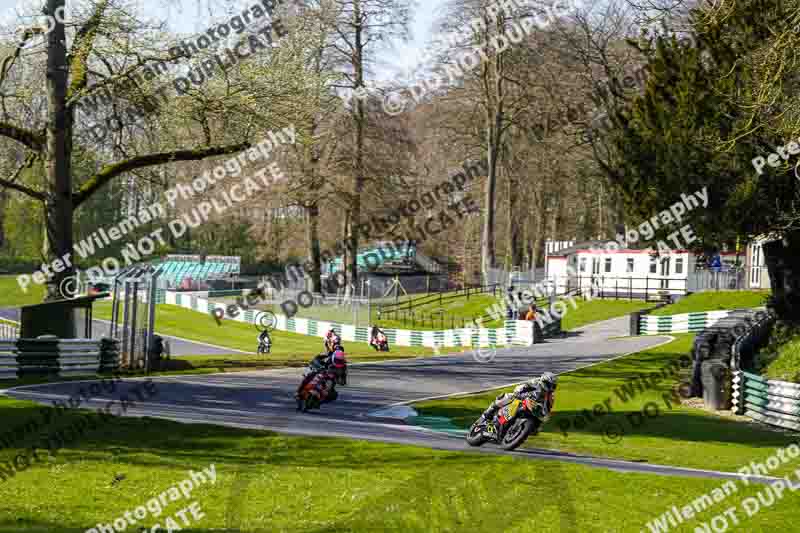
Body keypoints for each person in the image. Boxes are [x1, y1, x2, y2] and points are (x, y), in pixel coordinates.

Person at [478, 372, 558, 434]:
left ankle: (520, 431)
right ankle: (487, 414)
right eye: (549, 385)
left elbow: (548, 408)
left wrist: (545, 416)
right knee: (506, 396)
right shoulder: (535, 383)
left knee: (537, 426)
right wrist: (518, 392)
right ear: (543, 381)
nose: (551, 388)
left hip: (532, 408)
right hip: (521, 398)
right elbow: (522, 387)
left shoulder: (550, 396)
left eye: (553, 386)